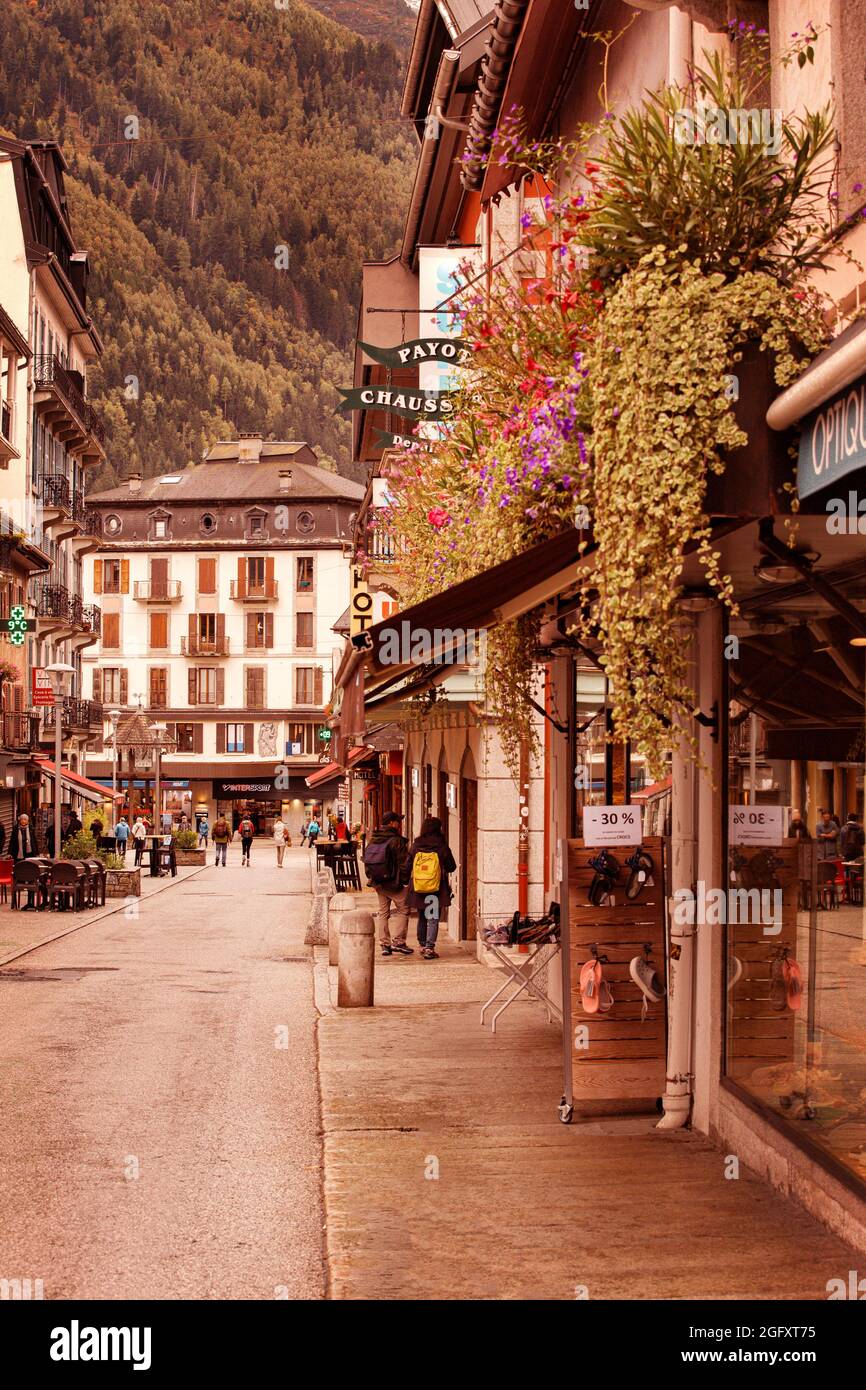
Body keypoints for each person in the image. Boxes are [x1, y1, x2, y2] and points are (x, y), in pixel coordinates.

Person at [406, 815, 456, 961]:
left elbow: (408, 865)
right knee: (433, 917)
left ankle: (422, 945)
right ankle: (429, 947)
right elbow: (451, 866)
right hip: (435, 888)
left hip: (419, 886)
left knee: (422, 916)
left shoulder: (416, 845)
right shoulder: (441, 845)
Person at [363, 810, 413, 957]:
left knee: (383, 912)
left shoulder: (374, 838)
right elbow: (405, 863)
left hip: (378, 882)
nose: (399, 824)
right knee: (403, 909)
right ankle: (398, 942)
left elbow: (367, 859)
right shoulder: (396, 840)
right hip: (394, 883)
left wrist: (373, 877)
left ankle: (385, 944)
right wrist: (404, 881)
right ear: (392, 823)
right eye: (397, 821)